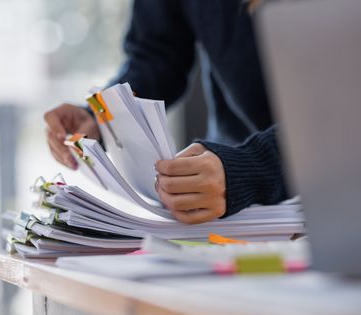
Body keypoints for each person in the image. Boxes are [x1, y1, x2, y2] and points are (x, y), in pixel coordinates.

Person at [44, 0, 288, 223]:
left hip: (307, 183)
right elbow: (158, 55)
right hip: (226, 188)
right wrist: (101, 117)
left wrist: (252, 169)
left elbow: (327, 110)